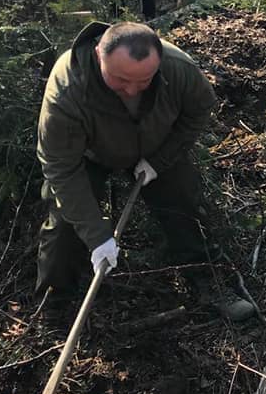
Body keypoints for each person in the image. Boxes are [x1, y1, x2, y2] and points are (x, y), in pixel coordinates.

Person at [36, 21, 253, 321]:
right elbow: (61, 167)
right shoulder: (68, 89)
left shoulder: (178, 68)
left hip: (155, 148)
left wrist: (160, 160)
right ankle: (56, 303)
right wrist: (98, 237)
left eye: (143, 81)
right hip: (89, 155)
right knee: (64, 226)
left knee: (185, 204)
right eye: (120, 79)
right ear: (99, 54)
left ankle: (206, 280)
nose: (131, 90)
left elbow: (199, 110)